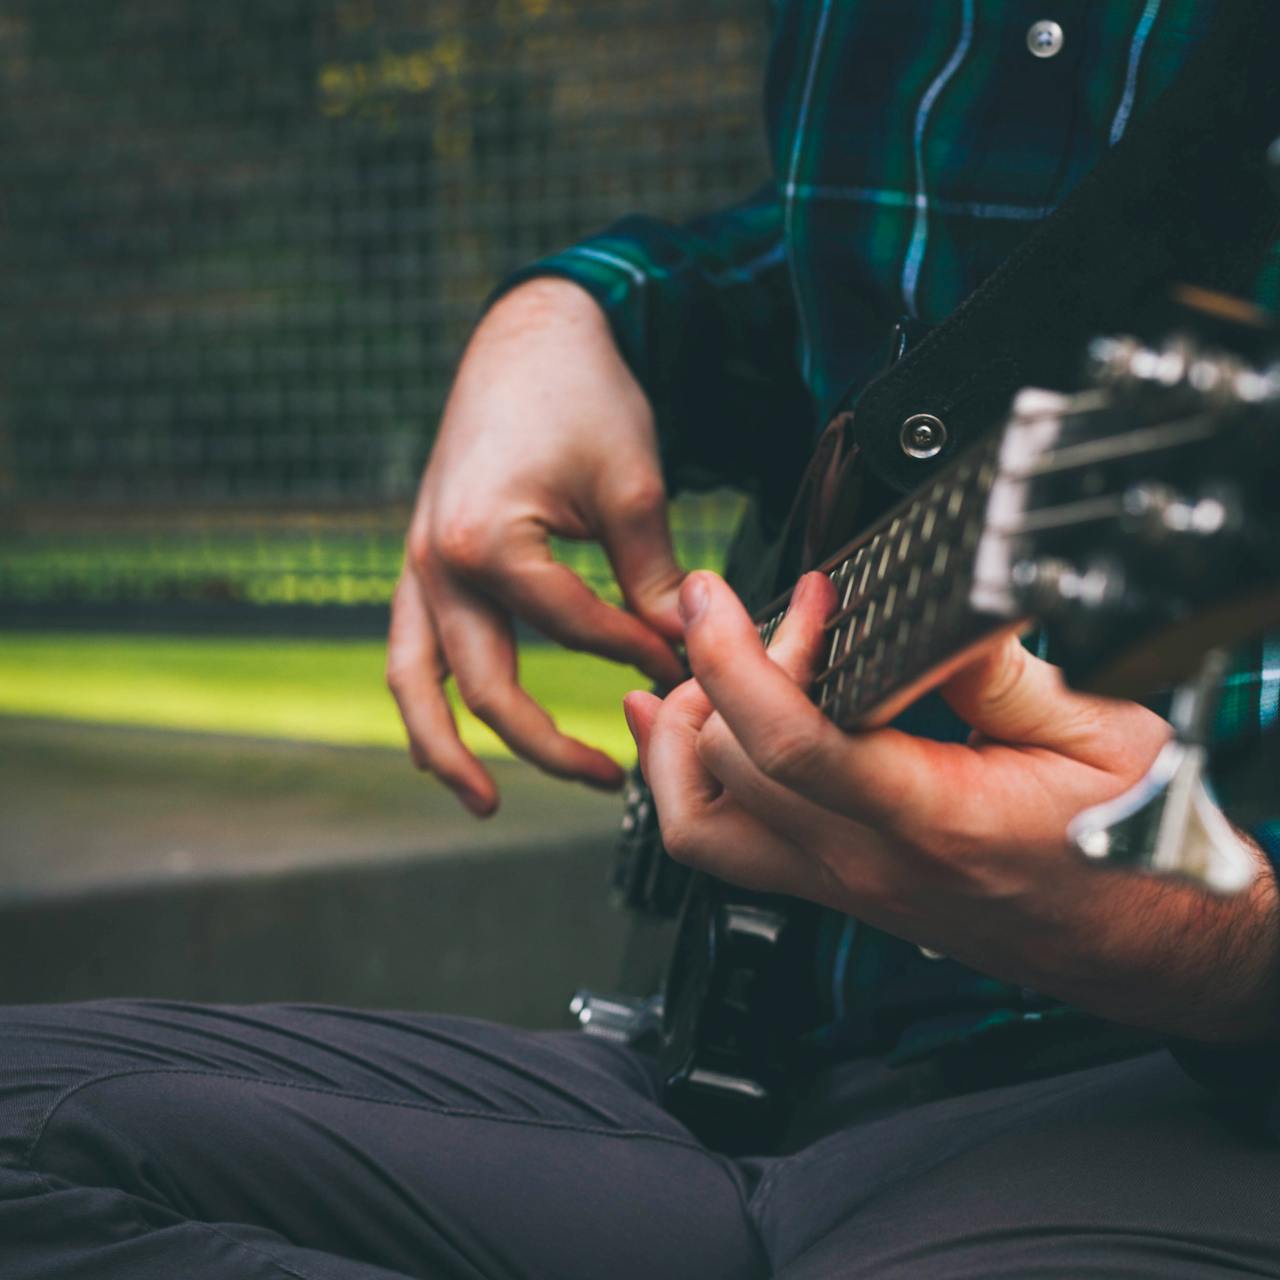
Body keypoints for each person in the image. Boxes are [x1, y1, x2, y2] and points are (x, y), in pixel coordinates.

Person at [4, 4, 1280, 1276]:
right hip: (743, 1055)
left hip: (1190, 1114)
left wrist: (1224, 943)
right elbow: (913, 260)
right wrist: (592, 313)